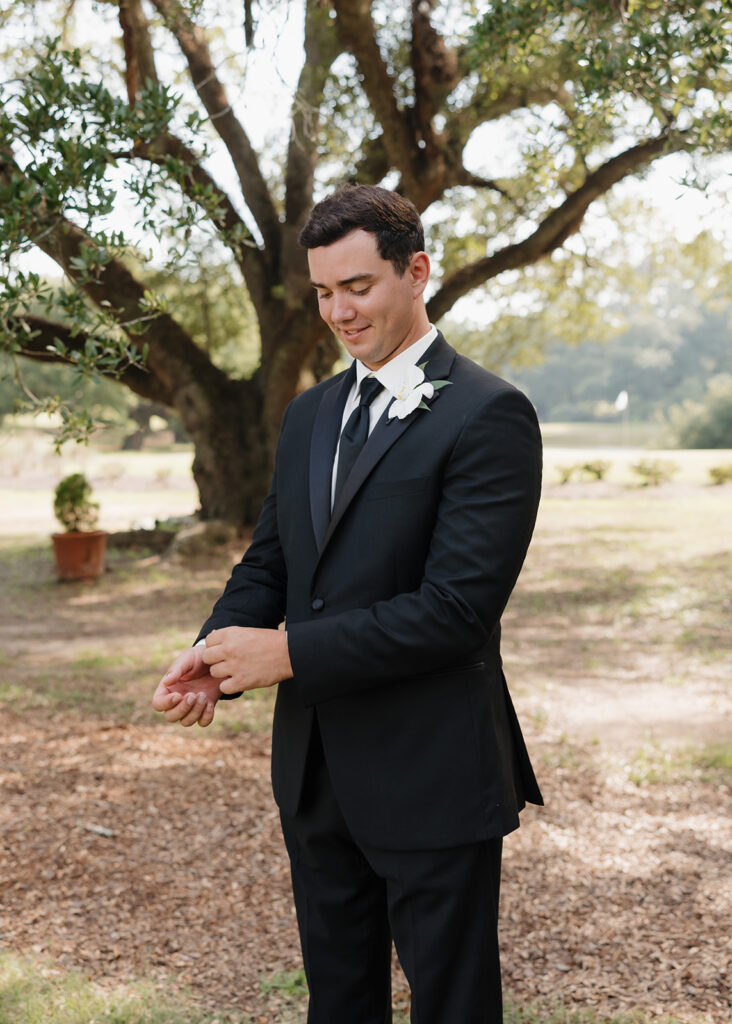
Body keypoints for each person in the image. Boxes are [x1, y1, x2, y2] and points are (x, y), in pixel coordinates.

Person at [152, 184, 543, 1024]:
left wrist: (288, 654)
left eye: (357, 287)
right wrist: (213, 653)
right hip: (315, 771)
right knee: (338, 1004)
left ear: (417, 273)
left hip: (432, 770)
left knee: (454, 1006)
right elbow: (272, 563)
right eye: (325, 293)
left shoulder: (489, 414)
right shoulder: (308, 416)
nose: (339, 312)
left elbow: (455, 610)